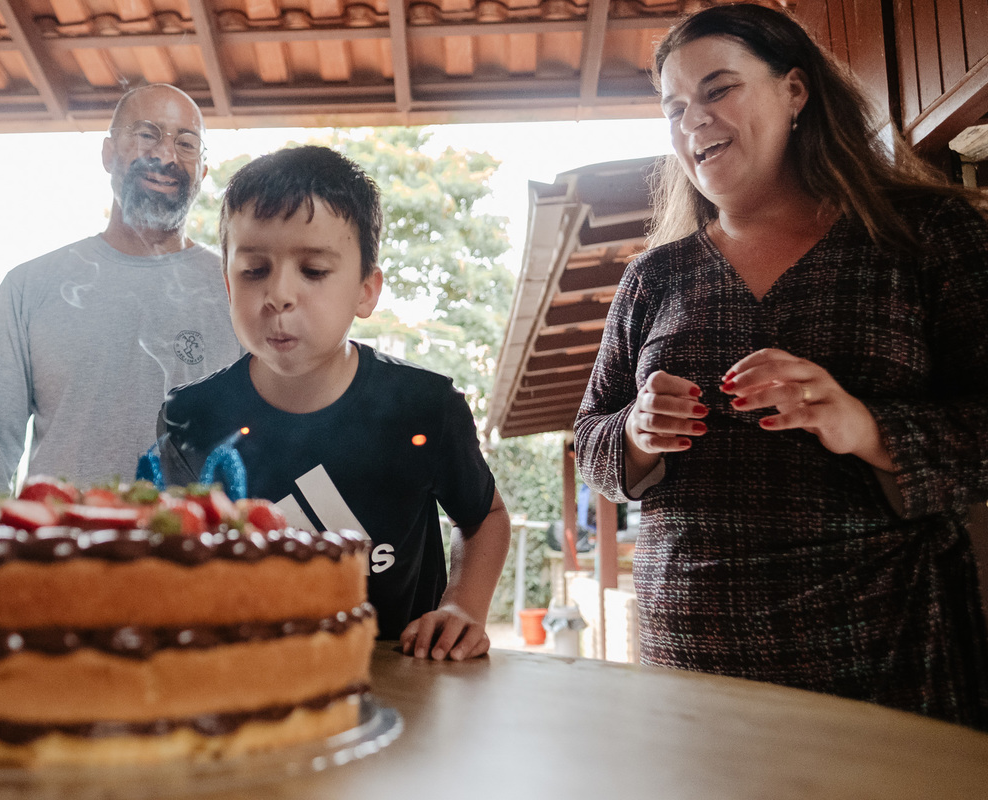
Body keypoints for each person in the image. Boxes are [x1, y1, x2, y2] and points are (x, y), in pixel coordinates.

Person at [574, 3, 988, 728]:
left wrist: (864, 425)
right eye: (673, 107)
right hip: (692, 661)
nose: (692, 121)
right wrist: (635, 432)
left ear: (795, 91)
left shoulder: (925, 234)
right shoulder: (653, 278)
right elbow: (591, 439)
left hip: (886, 649)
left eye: (717, 89)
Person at [156, 145, 511, 661]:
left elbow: (484, 518)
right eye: (254, 269)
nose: (279, 294)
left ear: (367, 290)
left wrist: (462, 608)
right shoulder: (190, 418)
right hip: (253, 681)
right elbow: (179, 557)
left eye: (314, 270)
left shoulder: (425, 406)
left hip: (403, 683)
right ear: (227, 286)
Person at [0, 84, 242, 494]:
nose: (166, 155)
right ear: (108, 153)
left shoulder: (236, 290)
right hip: (56, 549)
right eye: (147, 134)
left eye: (186, 143)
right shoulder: (30, 287)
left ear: (203, 172)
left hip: (202, 548)